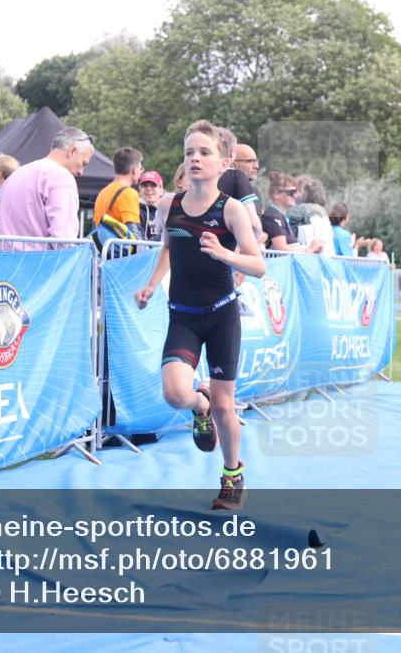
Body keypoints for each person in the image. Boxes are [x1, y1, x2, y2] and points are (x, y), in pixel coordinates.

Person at [134, 120, 265, 510]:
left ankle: (231, 477)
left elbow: (259, 266)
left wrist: (224, 254)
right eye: (189, 152)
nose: (195, 158)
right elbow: (169, 248)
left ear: (225, 162)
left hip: (222, 316)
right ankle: (199, 405)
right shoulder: (166, 206)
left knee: (227, 406)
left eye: (204, 152)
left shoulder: (233, 211)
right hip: (183, 317)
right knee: (176, 394)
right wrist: (153, 284)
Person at [0, 127, 94, 246]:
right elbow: (64, 237)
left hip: (4, 259)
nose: (81, 172)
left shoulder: (16, 175)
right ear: (72, 151)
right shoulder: (61, 178)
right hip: (41, 262)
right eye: (83, 164)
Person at [262, 171, 322, 253]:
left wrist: (309, 249)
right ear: (276, 194)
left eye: (296, 192)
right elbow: (280, 248)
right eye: (292, 192)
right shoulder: (274, 216)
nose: (296, 195)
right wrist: (308, 250)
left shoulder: (279, 215)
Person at [93, 147, 144, 239]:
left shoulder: (104, 191)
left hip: (103, 249)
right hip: (120, 251)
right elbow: (133, 232)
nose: (140, 172)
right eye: (141, 169)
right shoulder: (128, 193)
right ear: (134, 170)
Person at [138, 170, 164, 241]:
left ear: (161, 190)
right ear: (140, 191)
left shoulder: (169, 212)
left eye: (153, 185)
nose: (149, 188)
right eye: (144, 186)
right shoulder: (136, 212)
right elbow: (140, 241)